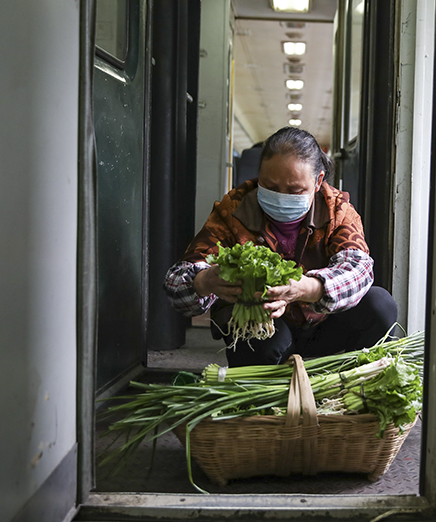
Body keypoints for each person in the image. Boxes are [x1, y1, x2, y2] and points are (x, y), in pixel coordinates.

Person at [164, 126, 397, 366]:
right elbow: (175, 282)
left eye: (295, 191)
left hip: (325, 325)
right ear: (259, 176)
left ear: (318, 182)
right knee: (259, 343)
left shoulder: (337, 211)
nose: (281, 197)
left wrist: (308, 287)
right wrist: (204, 281)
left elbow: (358, 271)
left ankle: (345, 376)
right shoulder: (234, 210)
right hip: (262, 329)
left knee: (379, 305)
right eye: (270, 187)